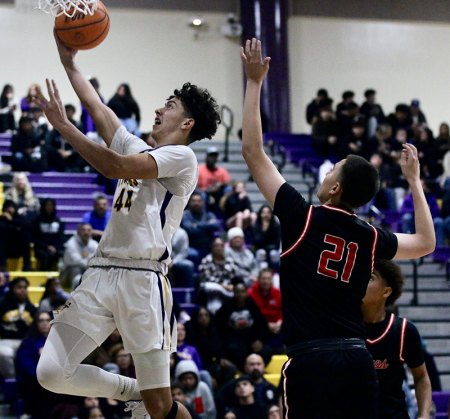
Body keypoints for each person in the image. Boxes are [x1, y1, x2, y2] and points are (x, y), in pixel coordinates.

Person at [240, 38, 435, 418]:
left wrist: (253, 83)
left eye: (332, 169)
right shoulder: (369, 235)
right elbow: (427, 243)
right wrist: (414, 182)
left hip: (311, 360)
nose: (326, 171)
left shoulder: (302, 215)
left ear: (335, 188)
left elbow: (252, 151)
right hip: (357, 360)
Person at [36, 33, 220, 419]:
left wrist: (65, 128)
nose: (157, 109)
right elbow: (98, 108)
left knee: (157, 411)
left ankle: (158, 400)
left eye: (168, 106)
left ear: (186, 122)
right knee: (51, 372)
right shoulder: (137, 147)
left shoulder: (182, 157)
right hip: (101, 272)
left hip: (143, 280)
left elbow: (113, 166)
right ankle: (136, 392)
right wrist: (69, 61)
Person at [363, 259, 432, 419]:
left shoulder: (403, 330)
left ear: (386, 292)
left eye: (370, 278)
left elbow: (421, 376)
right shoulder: (345, 327)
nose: (361, 281)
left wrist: (424, 414)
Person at [15, 310, 61, 419]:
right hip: (34, 380)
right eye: (41, 320)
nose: (44, 323)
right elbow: (24, 364)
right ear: (36, 323)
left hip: (56, 378)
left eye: (47, 320)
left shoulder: (59, 341)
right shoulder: (28, 342)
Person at [0, 277, 37, 378]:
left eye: (25, 287)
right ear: (12, 289)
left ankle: (29, 382)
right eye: (19, 287)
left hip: (26, 340)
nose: (23, 290)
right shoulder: (2, 304)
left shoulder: (31, 308)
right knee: (4, 353)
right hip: (6, 340)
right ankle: (11, 380)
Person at [61, 222, 99, 290]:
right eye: (83, 230)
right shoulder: (71, 243)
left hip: (86, 269)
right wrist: (90, 261)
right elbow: (75, 260)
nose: (86, 232)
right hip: (68, 274)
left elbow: (98, 258)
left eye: (89, 230)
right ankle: (74, 295)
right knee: (76, 269)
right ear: (78, 232)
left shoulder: (94, 244)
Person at [32, 197, 66, 271]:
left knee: (61, 254)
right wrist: (47, 247)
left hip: (55, 247)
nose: (49, 207)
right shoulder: (37, 221)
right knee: (45, 255)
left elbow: (60, 237)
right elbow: (35, 238)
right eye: (47, 205)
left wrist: (55, 247)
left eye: (51, 205)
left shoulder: (58, 221)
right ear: (43, 206)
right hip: (41, 247)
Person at [197, 146, 231, 216]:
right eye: (211, 156)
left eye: (215, 156)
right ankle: (204, 216)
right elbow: (196, 186)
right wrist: (207, 190)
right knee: (202, 195)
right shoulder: (199, 169)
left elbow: (229, 182)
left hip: (217, 193)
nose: (213, 158)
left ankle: (225, 215)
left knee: (228, 189)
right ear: (206, 157)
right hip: (204, 192)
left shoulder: (221, 170)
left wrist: (220, 184)